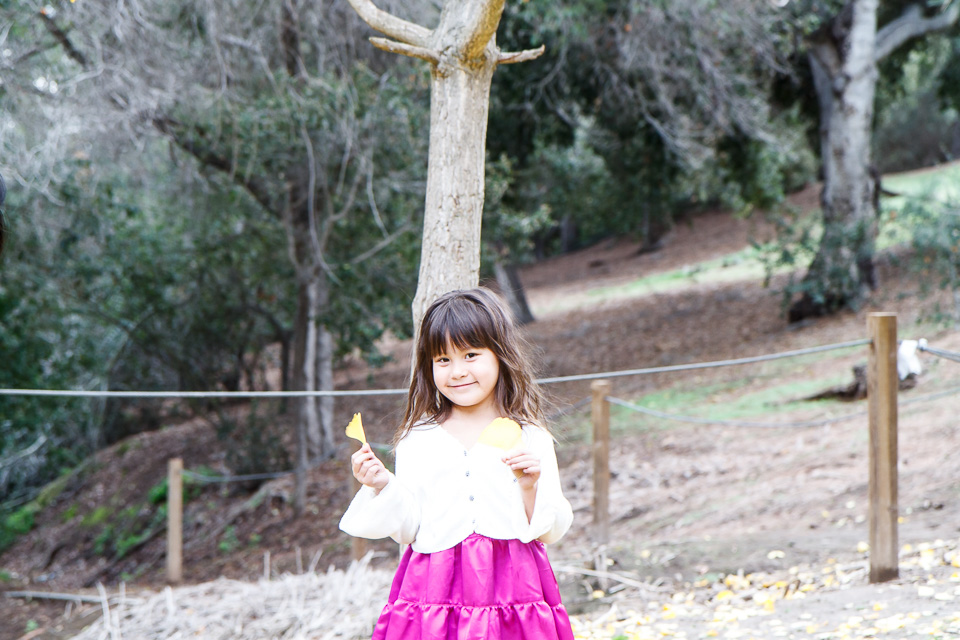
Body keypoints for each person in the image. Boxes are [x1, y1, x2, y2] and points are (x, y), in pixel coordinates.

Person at [340, 288, 575, 640]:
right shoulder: (417, 439)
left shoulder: (529, 435)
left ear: (500, 354)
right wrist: (382, 485)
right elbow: (410, 530)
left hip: (514, 586)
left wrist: (529, 487)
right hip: (434, 589)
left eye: (471, 355)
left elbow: (549, 530)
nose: (458, 371)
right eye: (443, 360)